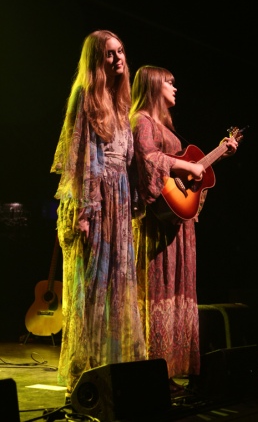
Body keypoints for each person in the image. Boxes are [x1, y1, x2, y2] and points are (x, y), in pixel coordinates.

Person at [129, 65, 238, 388]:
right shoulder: (142, 121)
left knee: (175, 290)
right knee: (155, 288)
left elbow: (187, 178)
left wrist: (218, 154)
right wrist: (185, 164)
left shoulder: (167, 128)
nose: (175, 88)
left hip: (175, 227)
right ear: (152, 85)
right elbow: (148, 159)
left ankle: (168, 369)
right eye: (169, 83)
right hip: (155, 226)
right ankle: (149, 369)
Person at [50, 30, 146, 398]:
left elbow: (129, 156)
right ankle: (85, 372)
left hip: (118, 198)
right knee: (92, 287)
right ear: (96, 60)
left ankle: (115, 367)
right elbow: (80, 158)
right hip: (96, 197)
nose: (118, 58)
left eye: (121, 51)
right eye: (110, 53)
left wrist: (134, 197)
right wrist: (87, 210)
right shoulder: (85, 96)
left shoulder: (121, 102)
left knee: (119, 285)